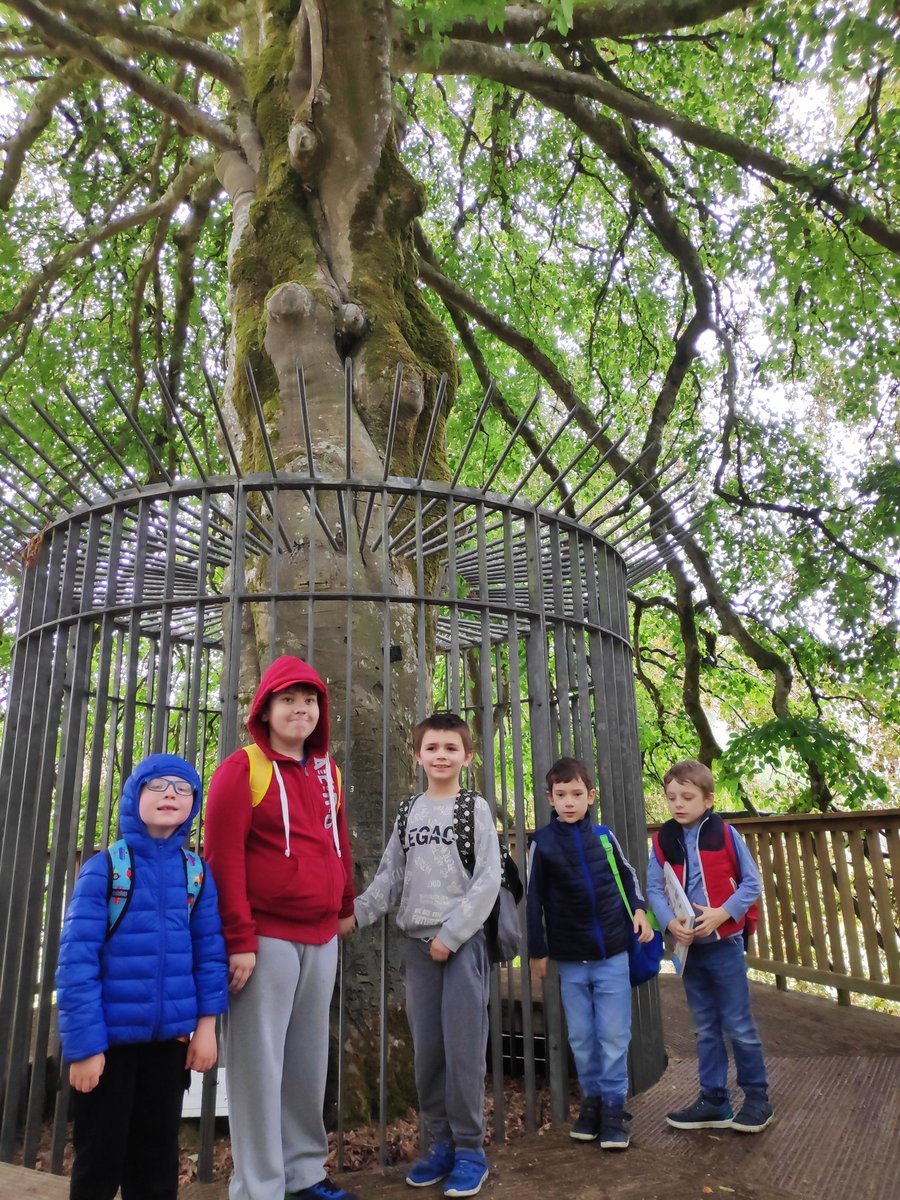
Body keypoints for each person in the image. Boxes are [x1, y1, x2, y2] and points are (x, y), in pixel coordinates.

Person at [204, 656, 358, 1200]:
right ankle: (259, 1187)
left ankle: (305, 1174)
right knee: (256, 1069)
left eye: (310, 699)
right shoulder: (241, 769)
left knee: (307, 1064)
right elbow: (223, 861)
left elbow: (337, 842)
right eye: (289, 699)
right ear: (265, 709)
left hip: (321, 937)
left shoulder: (328, 773)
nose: (301, 708)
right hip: (262, 940)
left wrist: (345, 905)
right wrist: (239, 940)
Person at [55, 753, 229, 1200]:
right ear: (134, 797)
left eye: (182, 788)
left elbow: (210, 954)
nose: (170, 794)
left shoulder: (196, 873)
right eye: (158, 786)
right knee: (100, 1157)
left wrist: (206, 1028)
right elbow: (76, 964)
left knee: (156, 1159)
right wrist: (85, 1048)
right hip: (107, 1047)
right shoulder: (105, 869)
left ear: (194, 804)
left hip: (167, 1047)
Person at [352, 712, 500, 1198]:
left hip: (459, 948)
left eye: (450, 748)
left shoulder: (473, 808)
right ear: (417, 755)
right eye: (432, 747)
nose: (440, 755)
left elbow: (488, 881)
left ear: (467, 756)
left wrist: (452, 935)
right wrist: (354, 915)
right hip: (416, 949)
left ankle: (470, 1149)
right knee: (428, 1053)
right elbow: (389, 877)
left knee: (463, 1052)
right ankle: (438, 1144)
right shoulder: (408, 810)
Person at [526, 756, 654, 1150]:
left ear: (590, 797)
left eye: (576, 794)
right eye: (561, 794)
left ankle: (615, 1108)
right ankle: (593, 1103)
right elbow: (534, 901)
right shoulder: (541, 844)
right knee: (582, 1036)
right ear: (549, 798)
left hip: (613, 952)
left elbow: (628, 875)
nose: (569, 802)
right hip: (570, 958)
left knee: (614, 1035)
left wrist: (638, 910)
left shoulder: (603, 836)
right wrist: (537, 950)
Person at [646, 759, 773, 1134]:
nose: (678, 804)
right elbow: (655, 888)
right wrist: (670, 923)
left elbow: (752, 884)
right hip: (689, 949)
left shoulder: (726, 834)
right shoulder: (663, 840)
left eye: (687, 797)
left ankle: (757, 1098)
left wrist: (723, 914)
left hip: (724, 945)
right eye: (671, 797)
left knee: (737, 1023)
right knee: (704, 1027)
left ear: (708, 800)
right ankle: (714, 1101)